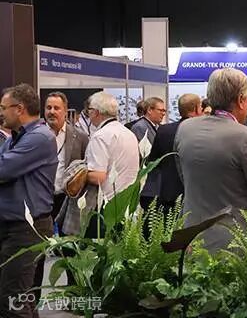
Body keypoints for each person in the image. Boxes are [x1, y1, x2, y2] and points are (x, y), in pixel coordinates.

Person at [175, 69, 247, 253]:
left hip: (191, 237)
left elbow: (183, 177)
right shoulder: (246, 137)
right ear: (240, 100)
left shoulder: (185, 129)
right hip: (233, 242)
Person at [0, 84, 57, 316]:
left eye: (3, 108)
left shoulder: (39, 137)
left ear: (19, 109)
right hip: (15, 227)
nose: (1, 113)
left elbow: (3, 169)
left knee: (13, 300)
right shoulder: (14, 138)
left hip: (27, 229)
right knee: (21, 298)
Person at [82, 92, 141, 237]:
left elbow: (98, 177)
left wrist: (78, 173)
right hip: (128, 204)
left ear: (96, 112)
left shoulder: (100, 136)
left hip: (106, 208)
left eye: (89, 111)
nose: (88, 115)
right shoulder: (129, 134)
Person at [143, 94, 203, 216]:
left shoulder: (164, 130)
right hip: (196, 194)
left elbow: (153, 161)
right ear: (196, 109)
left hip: (168, 193)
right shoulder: (202, 131)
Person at [44, 92, 89, 223]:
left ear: (65, 111)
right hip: (42, 197)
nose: (52, 112)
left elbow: (86, 166)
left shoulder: (80, 136)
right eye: (48, 108)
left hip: (67, 199)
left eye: (56, 108)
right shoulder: (35, 135)